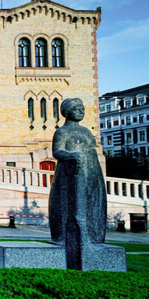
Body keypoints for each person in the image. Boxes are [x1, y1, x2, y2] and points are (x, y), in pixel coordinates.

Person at [48, 98, 106, 269]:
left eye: (83, 108)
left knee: (94, 202)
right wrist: (70, 156)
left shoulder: (87, 132)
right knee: (68, 204)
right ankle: (65, 236)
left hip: (91, 172)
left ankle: (94, 236)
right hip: (70, 175)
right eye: (77, 108)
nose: (82, 111)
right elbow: (57, 151)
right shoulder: (62, 132)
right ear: (67, 111)